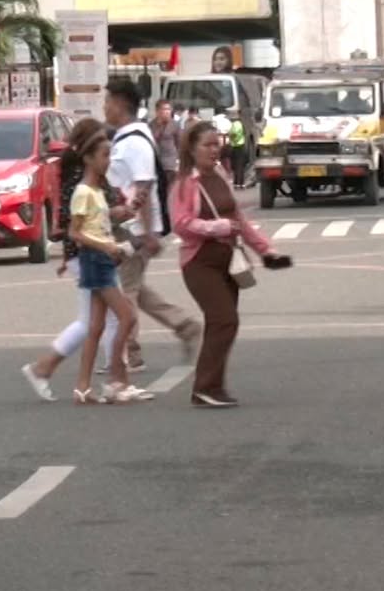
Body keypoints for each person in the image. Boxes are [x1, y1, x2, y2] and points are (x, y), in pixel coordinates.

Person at [171, 120, 291, 408]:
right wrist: (217, 228)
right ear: (192, 148)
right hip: (199, 261)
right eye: (207, 145)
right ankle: (204, 387)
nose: (215, 149)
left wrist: (266, 250)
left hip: (228, 260)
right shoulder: (186, 183)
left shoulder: (221, 175)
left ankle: (212, 387)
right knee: (225, 319)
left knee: (221, 323)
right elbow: (180, 223)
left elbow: (240, 220)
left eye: (217, 143)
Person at [21, 117, 123, 401]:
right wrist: (76, 252)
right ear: (89, 152)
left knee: (102, 319)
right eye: (104, 152)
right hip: (89, 254)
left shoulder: (83, 175)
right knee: (99, 320)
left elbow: (94, 216)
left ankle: (95, 378)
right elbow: (73, 224)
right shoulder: (80, 179)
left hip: (89, 253)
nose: (108, 159)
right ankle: (111, 377)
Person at [105, 79, 201, 373]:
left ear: (120, 104)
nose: (104, 108)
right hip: (128, 226)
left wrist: (146, 232)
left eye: (107, 102)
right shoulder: (126, 137)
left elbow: (143, 186)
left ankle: (129, 354)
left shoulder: (134, 141)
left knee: (125, 292)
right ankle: (185, 327)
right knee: (136, 289)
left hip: (135, 228)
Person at [65, 127, 150, 404]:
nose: (108, 161)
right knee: (127, 316)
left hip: (102, 258)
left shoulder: (96, 191)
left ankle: (83, 387)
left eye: (110, 155)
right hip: (96, 259)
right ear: (88, 158)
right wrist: (107, 246)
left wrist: (126, 211)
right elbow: (75, 233)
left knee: (97, 326)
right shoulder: (84, 192)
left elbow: (100, 222)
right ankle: (117, 379)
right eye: (104, 155)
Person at [226, 112, 250, 188]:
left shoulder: (236, 124)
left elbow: (234, 134)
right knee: (239, 166)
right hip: (239, 146)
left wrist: (230, 137)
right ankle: (239, 183)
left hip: (236, 146)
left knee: (237, 166)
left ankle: (237, 183)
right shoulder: (238, 124)